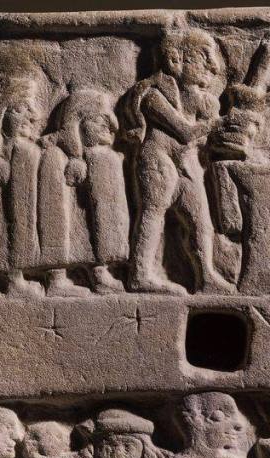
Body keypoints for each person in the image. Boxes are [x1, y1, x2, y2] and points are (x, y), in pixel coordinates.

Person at [123, 28, 230, 294]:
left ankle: (206, 275)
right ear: (175, 60)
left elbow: (201, 138)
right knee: (153, 213)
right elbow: (184, 131)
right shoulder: (152, 96)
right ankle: (140, 275)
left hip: (186, 163)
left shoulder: (194, 96)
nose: (213, 67)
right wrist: (219, 123)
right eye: (203, 57)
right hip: (158, 161)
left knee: (201, 222)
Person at [39, 88, 129, 294]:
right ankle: (59, 276)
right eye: (99, 121)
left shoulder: (101, 157)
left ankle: (99, 269)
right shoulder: (55, 154)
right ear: (77, 124)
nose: (109, 129)